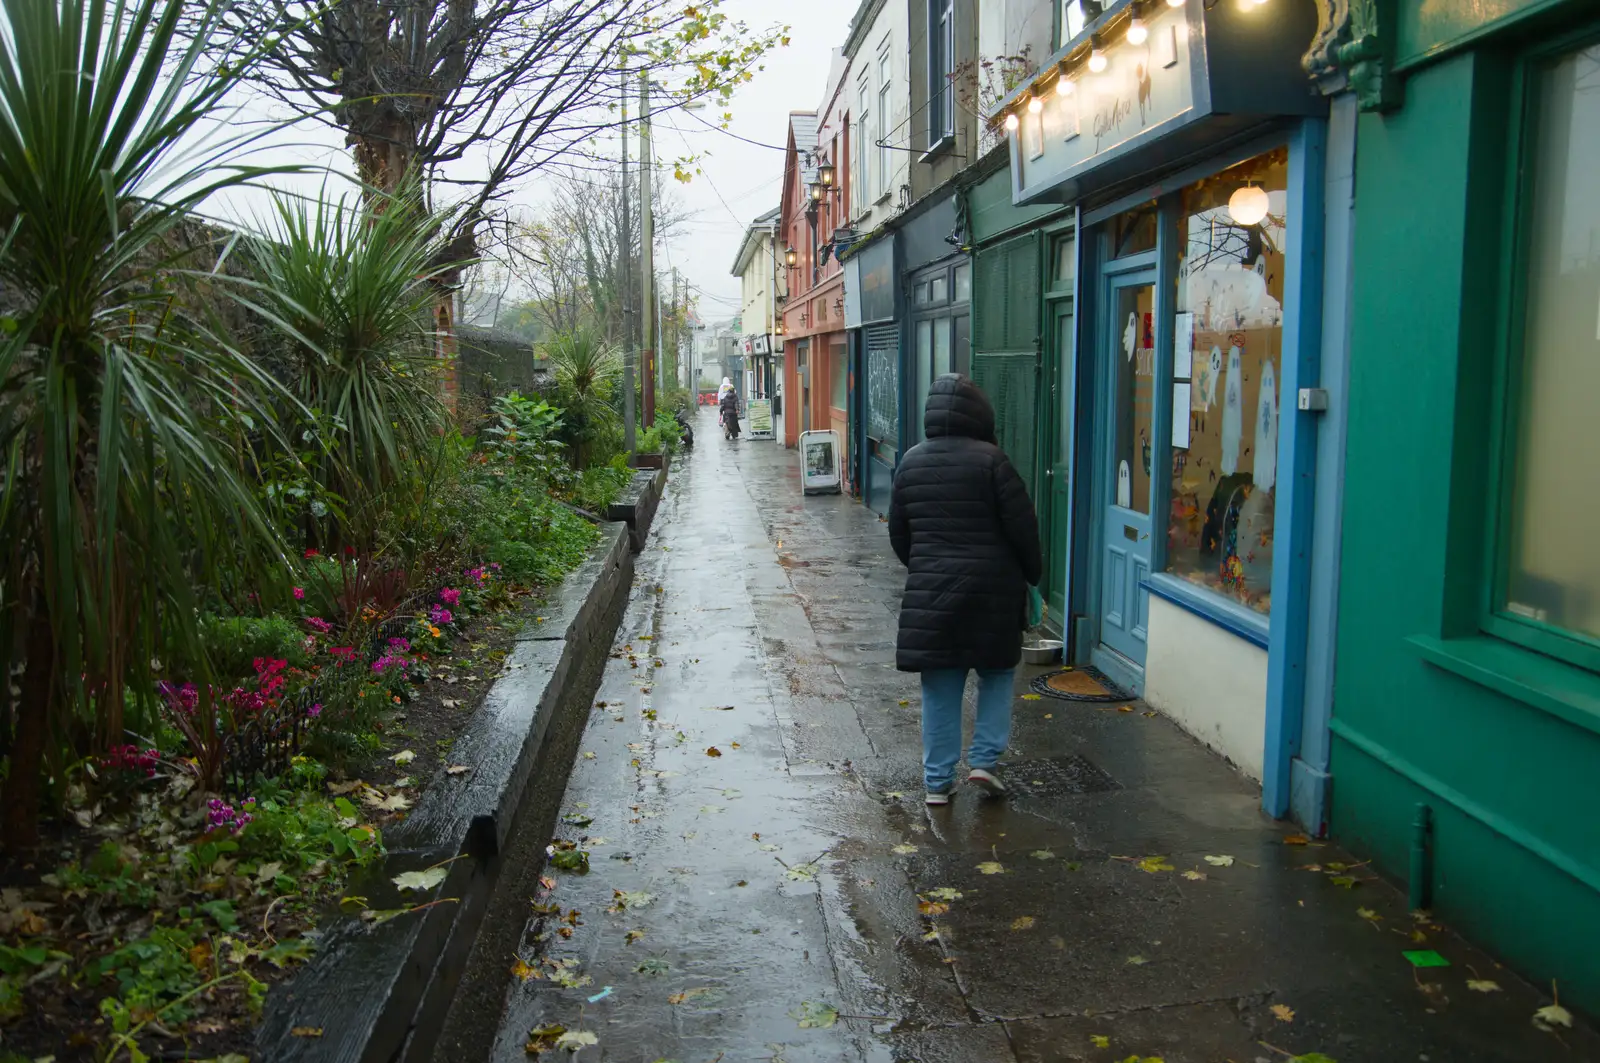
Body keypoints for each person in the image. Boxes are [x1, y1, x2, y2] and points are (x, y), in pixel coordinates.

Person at [889, 374, 1042, 807]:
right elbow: (1023, 529)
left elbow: (900, 533)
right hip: (994, 591)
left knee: (940, 684)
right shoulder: (994, 462)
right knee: (995, 673)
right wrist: (1032, 575)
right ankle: (984, 763)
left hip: (932, 595)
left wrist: (925, 567)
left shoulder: (911, 462)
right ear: (980, 414)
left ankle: (937, 782)